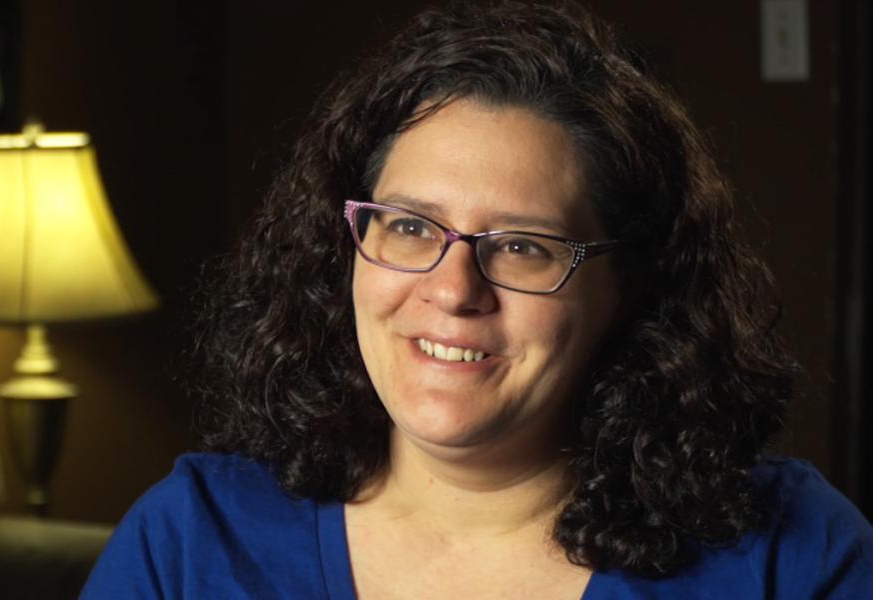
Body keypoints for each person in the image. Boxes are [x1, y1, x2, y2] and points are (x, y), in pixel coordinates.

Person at [81, 2, 873, 598]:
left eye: (523, 246)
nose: (454, 290)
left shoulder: (791, 554)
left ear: (626, 290)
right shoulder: (188, 544)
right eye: (409, 227)